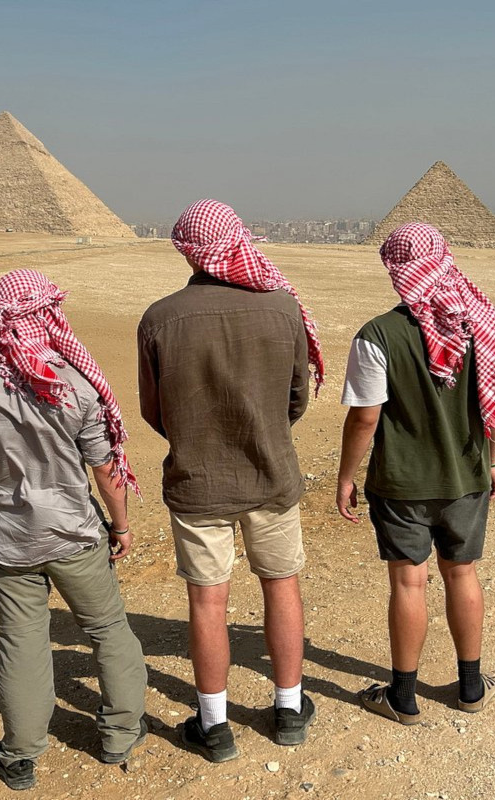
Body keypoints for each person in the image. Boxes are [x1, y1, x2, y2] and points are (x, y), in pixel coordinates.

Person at [0, 269, 147, 790]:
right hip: (74, 531)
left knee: (22, 640)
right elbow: (105, 469)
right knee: (107, 630)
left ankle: (20, 754)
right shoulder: (75, 382)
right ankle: (120, 733)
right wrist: (121, 525)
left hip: (8, 538)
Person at [137, 199, 324, 762]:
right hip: (271, 476)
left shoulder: (160, 318)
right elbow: (297, 396)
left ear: (186, 250)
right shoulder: (282, 308)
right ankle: (289, 710)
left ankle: (214, 727)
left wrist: (200, 436)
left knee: (207, 603)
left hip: (199, 484)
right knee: (281, 585)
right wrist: (263, 429)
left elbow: (154, 411)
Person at [335, 222, 495, 725]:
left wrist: (346, 476)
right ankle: (472, 686)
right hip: (466, 477)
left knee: (409, 585)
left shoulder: (377, 335)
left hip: (400, 483)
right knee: (462, 573)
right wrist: (492, 462)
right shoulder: (481, 324)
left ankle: (403, 697)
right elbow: (494, 402)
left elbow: (365, 416)